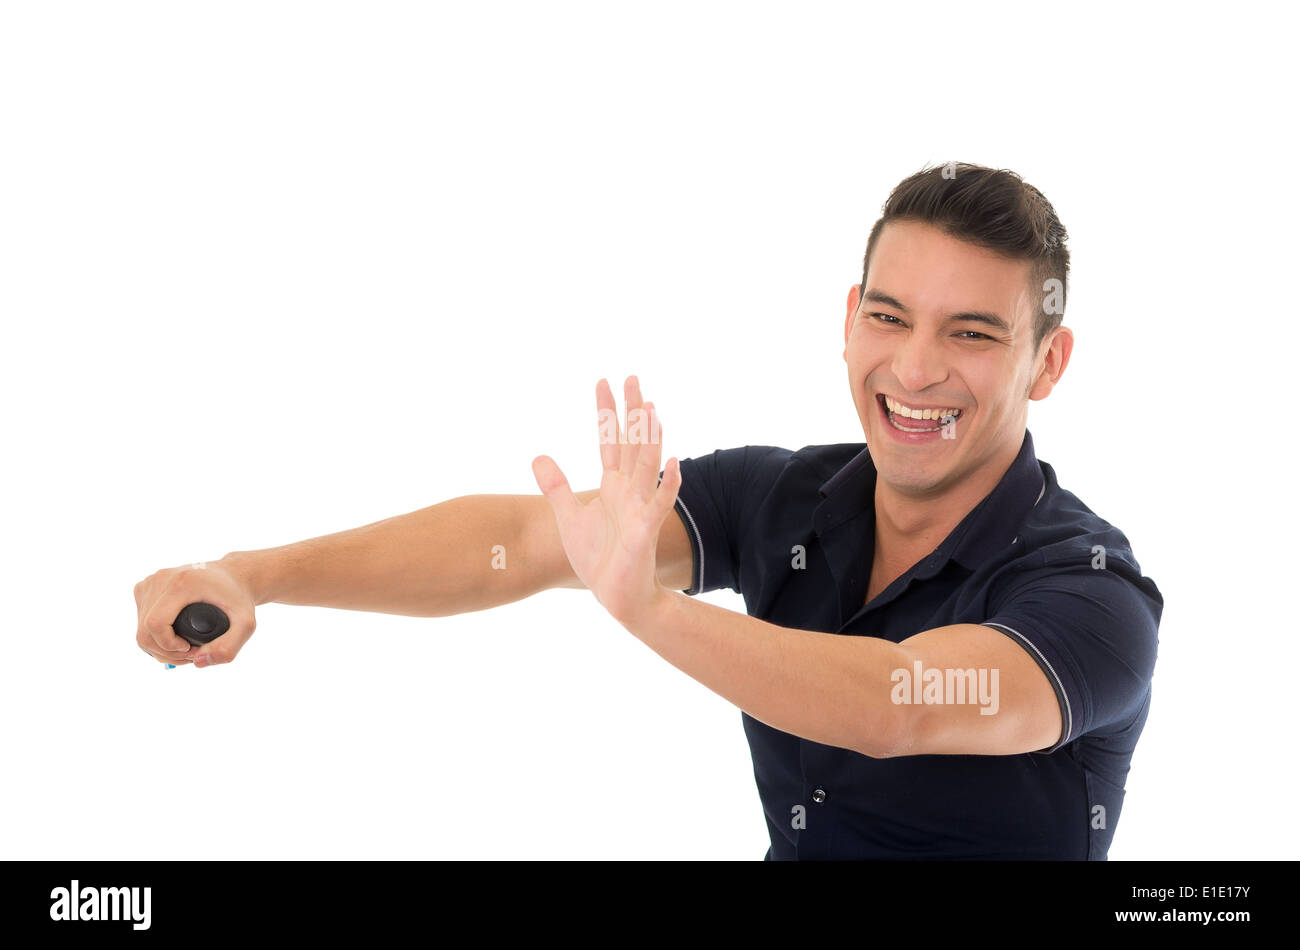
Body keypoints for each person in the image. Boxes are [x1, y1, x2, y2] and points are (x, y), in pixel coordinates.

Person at [135, 162, 1162, 860]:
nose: (914, 366)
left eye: (972, 333)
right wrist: (253, 571)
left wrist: (654, 611)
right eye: (888, 316)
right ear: (849, 321)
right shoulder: (785, 495)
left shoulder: (1090, 594)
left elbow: (901, 702)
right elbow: (523, 542)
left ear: (1047, 362)